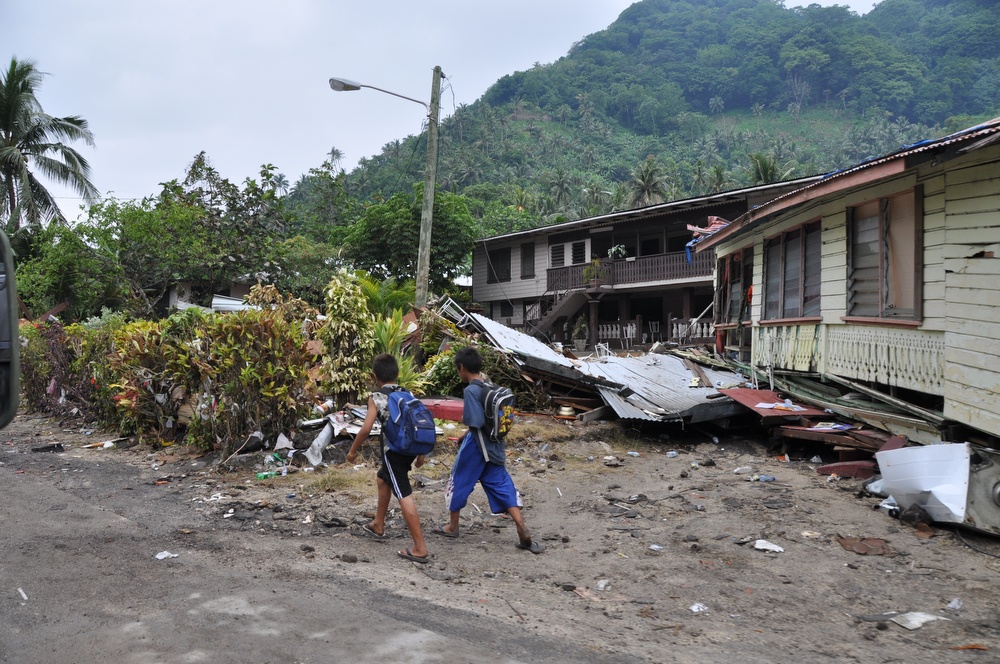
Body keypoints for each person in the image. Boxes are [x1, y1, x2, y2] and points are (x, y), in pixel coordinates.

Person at [434, 346, 543, 554]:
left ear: (462, 367)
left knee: (459, 480)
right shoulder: (490, 386)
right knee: (501, 483)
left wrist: (465, 429)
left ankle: (452, 527)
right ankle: (521, 527)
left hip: (477, 447)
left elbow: (474, 422)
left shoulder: (471, 390)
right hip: (495, 447)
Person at [346, 353, 430, 564]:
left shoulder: (376, 397)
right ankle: (378, 524)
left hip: (396, 452)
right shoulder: (407, 393)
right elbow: (417, 423)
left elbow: (365, 429)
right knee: (383, 478)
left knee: (403, 492)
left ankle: (420, 548)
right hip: (411, 447)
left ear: (375, 376)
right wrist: (421, 454)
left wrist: (353, 451)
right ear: (398, 373)